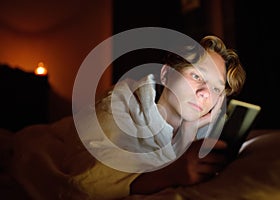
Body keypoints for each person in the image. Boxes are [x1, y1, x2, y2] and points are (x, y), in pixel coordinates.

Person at [9, 35, 246, 200]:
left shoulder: (201, 132)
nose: (205, 93)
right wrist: (171, 172)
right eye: (196, 76)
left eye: (216, 89)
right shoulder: (119, 106)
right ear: (166, 74)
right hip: (34, 148)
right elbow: (80, 187)